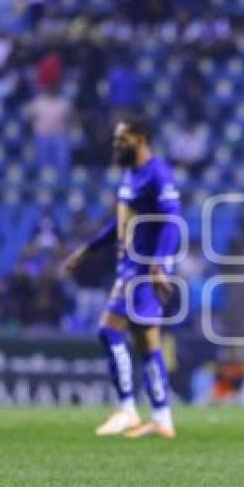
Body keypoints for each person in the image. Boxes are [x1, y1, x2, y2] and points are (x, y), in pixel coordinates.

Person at [62, 117, 181, 437]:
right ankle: (162, 418)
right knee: (147, 342)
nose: (116, 145)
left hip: (141, 270)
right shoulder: (132, 174)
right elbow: (121, 224)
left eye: (122, 139)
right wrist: (88, 250)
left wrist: (157, 265)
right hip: (131, 266)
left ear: (141, 139)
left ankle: (127, 409)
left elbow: (172, 221)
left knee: (108, 330)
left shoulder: (158, 174)